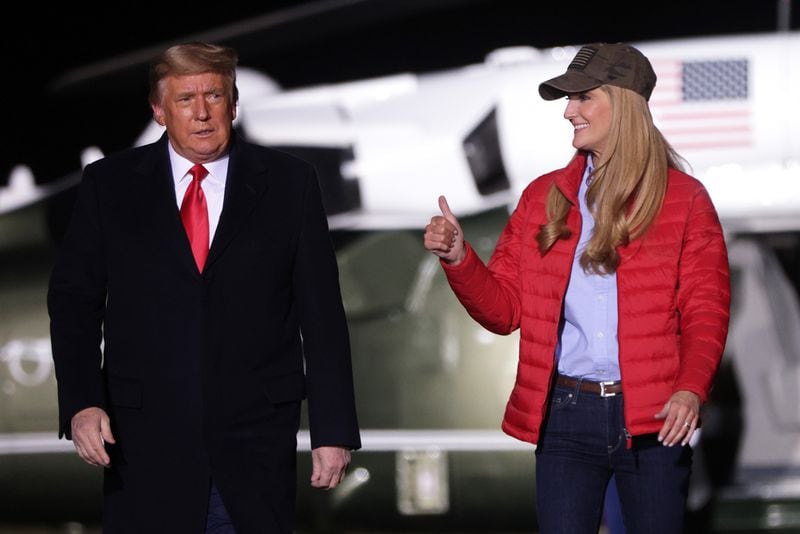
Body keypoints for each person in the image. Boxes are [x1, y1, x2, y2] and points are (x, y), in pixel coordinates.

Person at [48, 41, 361, 533]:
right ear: (158, 111)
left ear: (233, 105)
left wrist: (334, 431)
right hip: (144, 445)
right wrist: (83, 403)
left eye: (214, 96)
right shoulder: (109, 185)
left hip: (255, 443)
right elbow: (74, 304)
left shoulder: (289, 183)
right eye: (185, 99)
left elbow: (321, 316)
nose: (201, 113)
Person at [423, 42, 730, 533]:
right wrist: (459, 257)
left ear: (624, 103)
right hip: (566, 416)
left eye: (584, 97)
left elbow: (706, 309)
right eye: (569, 100)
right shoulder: (544, 197)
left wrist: (691, 389)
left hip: (655, 419)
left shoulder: (685, 200)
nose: (569, 112)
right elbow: (504, 311)